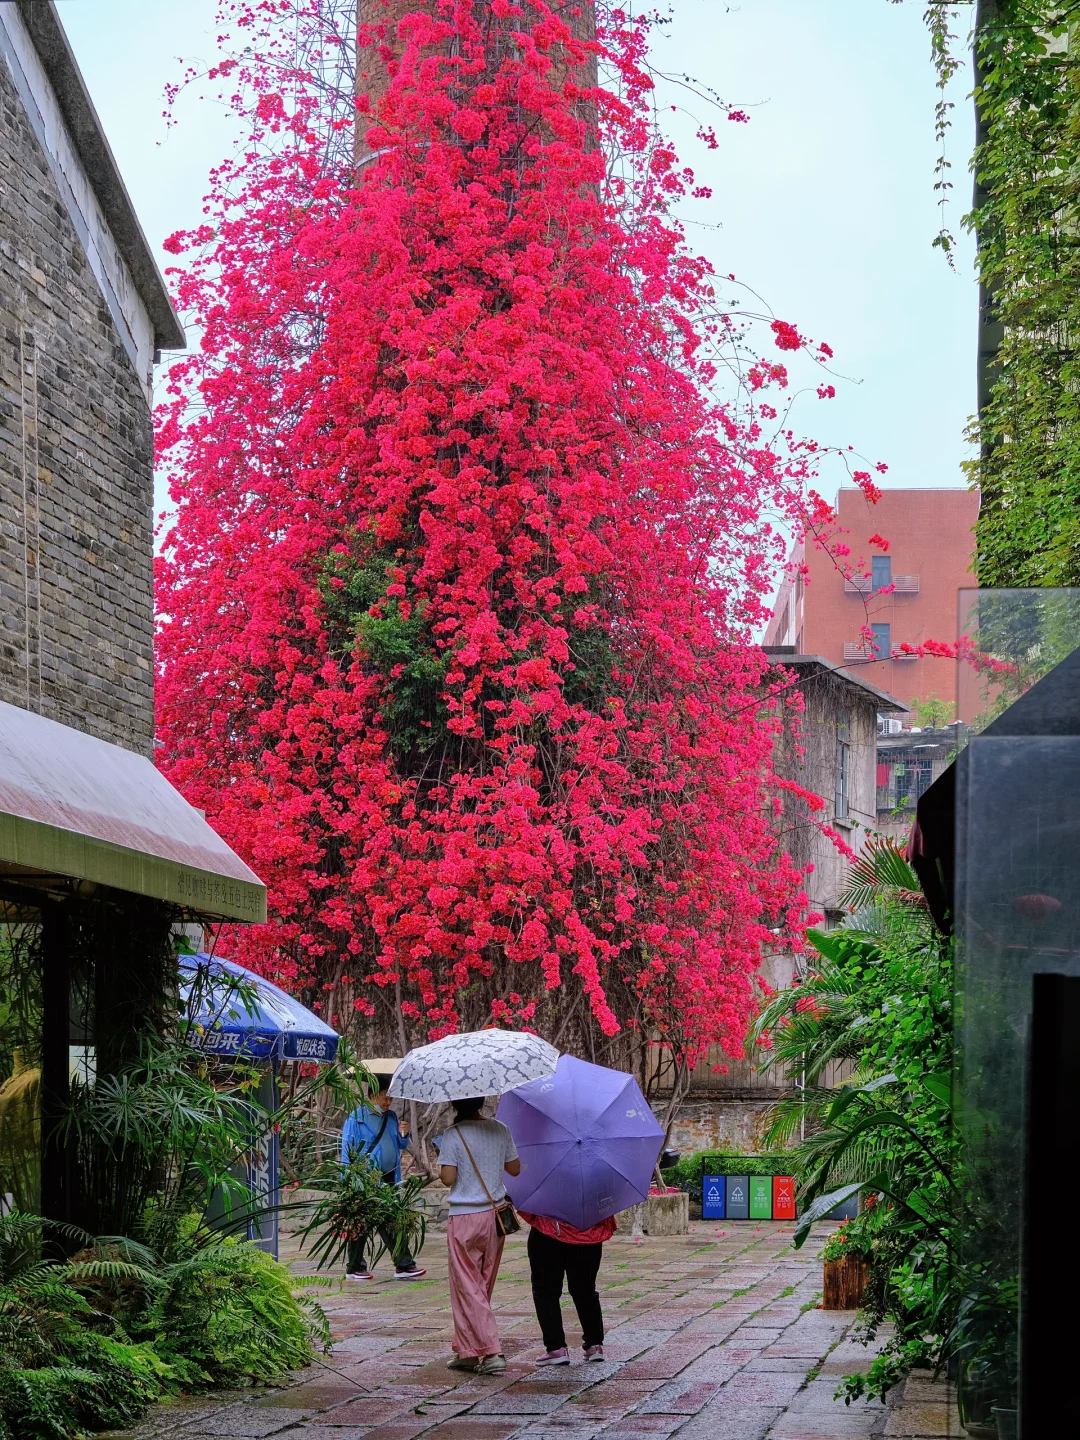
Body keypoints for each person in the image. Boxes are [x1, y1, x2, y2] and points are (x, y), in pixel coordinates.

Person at [437, 1097, 520, 1375]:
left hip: (464, 1217)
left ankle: (492, 1351)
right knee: (481, 1285)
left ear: (455, 1103)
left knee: (466, 1286)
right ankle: (468, 1351)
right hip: (494, 1218)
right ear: (482, 1100)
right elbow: (515, 1169)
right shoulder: (501, 1129)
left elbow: (448, 1178)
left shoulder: (453, 1134)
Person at [340, 1071, 426, 1281]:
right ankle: (358, 1267)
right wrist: (349, 1181)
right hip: (366, 1179)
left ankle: (401, 1265)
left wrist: (404, 1135)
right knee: (363, 1221)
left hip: (389, 1178)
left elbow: (399, 1145)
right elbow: (347, 1150)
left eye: (391, 1098)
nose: (389, 1102)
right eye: (385, 1097)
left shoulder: (392, 1117)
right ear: (371, 1095)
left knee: (390, 1220)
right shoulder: (357, 1118)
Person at [518, 1209, 616, 1365]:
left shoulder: (544, 1183)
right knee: (585, 1289)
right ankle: (594, 1345)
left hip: (548, 1230)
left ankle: (556, 1348)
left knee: (545, 1290)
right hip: (588, 1231)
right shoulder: (594, 1184)